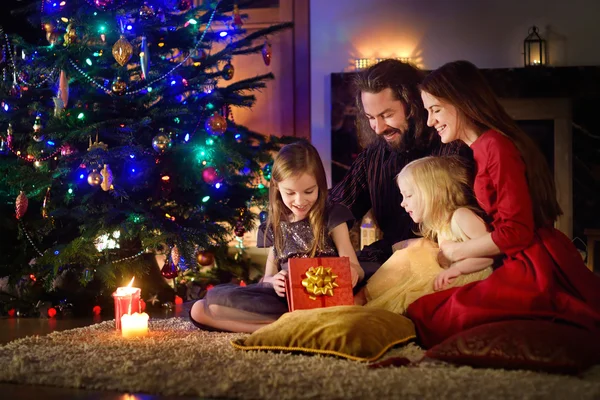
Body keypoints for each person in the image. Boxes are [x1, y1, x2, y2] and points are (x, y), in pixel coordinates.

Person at [406, 60, 600, 348]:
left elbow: (516, 232)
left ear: (462, 102)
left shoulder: (496, 147)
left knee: (436, 317)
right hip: (519, 258)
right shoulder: (482, 148)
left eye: (435, 110)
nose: (431, 121)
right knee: (425, 310)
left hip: (535, 264)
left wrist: (457, 251)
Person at [189, 141, 363, 333]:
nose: (300, 201)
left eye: (309, 191)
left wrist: (352, 272)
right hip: (283, 302)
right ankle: (287, 326)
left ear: (320, 186)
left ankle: (282, 327)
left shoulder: (332, 216)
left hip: (325, 298)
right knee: (200, 308)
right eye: (290, 193)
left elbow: (357, 269)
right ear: (277, 187)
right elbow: (266, 279)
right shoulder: (275, 224)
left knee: (359, 301)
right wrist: (274, 281)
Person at [329, 59, 471, 279]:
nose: (378, 128)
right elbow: (338, 207)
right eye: (370, 118)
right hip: (388, 256)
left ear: (413, 105)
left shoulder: (452, 147)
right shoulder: (373, 157)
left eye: (386, 115)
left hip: (444, 262)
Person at [355, 156, 493, 314]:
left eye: (409, 195)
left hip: (471, 282)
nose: (402, 203)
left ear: (431, 192)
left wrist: (458, 269)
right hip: (449, 276)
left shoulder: (461, 216)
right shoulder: (440, 227)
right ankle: (361, 300)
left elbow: (490, 255)